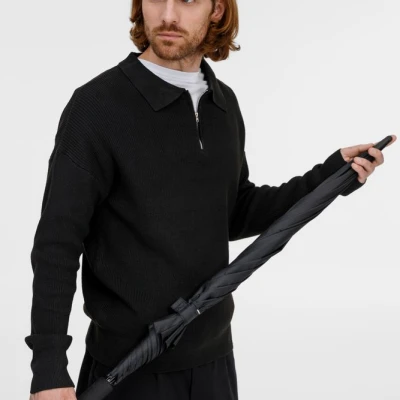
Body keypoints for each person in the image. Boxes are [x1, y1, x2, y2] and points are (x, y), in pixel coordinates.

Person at [25, 0, 396, 399]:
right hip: (127, 369)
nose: (168, 15)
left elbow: (234, 212)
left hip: (214, 362)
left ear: (217, 10)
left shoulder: (223, 103)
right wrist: (48, 368)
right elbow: (57, 243)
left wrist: (329, 178)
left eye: (187, 0)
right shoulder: (97, 106)